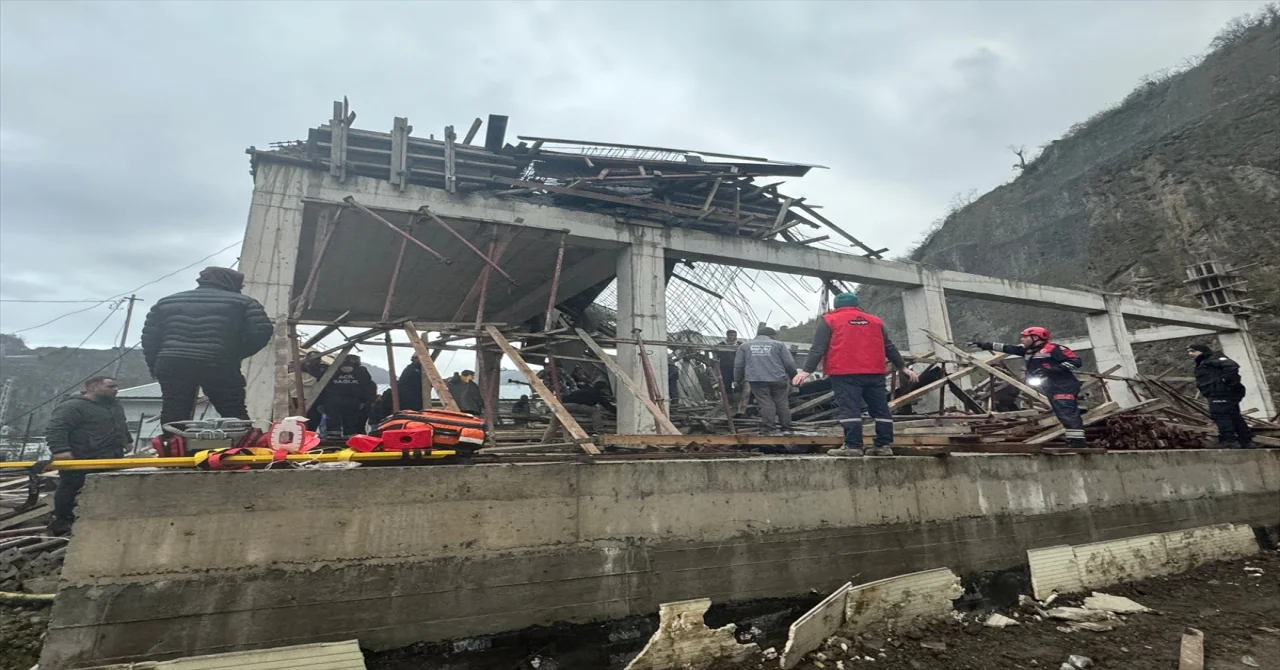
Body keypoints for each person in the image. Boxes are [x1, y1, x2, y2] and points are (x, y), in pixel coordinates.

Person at [141, 266, 273, 428]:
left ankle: (173, 447)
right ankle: (242, 447)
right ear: (232, 283)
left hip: (172, 362)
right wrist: (235, 353)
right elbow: (262, 331)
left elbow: (150, 339)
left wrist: (154, 366)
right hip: (218, 362)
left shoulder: (167, 302)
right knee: (233, 410)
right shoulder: (245, 303)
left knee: (174, 410)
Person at [793, 293, 917, 456]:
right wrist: (903, 367)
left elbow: (818, 348)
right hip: (874, 372)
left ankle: (853, 447)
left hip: (845, 373)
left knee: (850, 409)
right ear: (857, 304)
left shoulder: (830, 320)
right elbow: (889, 346)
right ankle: (883, 446)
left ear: (836, 306)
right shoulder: (875, 321)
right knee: (880, 409)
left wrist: (806, 371)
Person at [44, 377, 131, 535]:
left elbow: (121, 423)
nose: (115, 389)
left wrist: (127, 440)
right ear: (93, 387)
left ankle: (99, 518)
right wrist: (61, 450)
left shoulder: (115, 405)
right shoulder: (73, 406)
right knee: (70, 487)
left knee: (107, 487)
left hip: (110, 456)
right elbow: (56, 429)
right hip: (82, 456)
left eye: (116, 386)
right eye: (111, 386)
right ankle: (63, 521)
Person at [972, 326, 1085, 445]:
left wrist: (1052, 370)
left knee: (1067, 413)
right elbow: (1008, 348)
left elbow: (1076, 362)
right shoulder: (1027, 351)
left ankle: (1078, 442)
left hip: (1063, 386)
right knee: (1062, 413)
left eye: (1025, 337)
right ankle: (1074, 440)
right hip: (1051, 386)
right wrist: (985, 345)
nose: (1022, 339)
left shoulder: (1054, 349)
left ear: (1035, 337)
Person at [1187, 343, 1254, 448]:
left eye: (1193, 351)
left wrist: (1226, 381)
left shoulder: (1213, 359)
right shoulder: (1205, 361)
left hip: (1220, 393)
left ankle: (1229, 441)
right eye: (1189, 352)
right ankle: (1246, 441)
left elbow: (1232, 365)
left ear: (1202, 351)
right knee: (1233, 415)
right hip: (1219, 393)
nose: (1190, 354)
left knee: (1220, 415)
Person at [735, 325, 798, 433]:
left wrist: (737, 379)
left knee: (765, 402)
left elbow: (739, 365)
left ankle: (769, 428)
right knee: (782, 402)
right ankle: (786, 427)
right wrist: (794, 377)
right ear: (772, 335)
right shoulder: (779, 345)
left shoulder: (745, 346)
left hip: (757, 379)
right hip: (778, 379)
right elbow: (789, 363)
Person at [314, 354, 378, 436]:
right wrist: (365, 402)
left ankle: (333, 439)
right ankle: (349, 440)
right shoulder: (362, 372)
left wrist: (320, 403)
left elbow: (321, 386)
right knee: (350, 423)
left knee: (333, 423)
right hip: (353, 402)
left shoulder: (331, 370)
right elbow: (368, 388)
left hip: (332, 402)